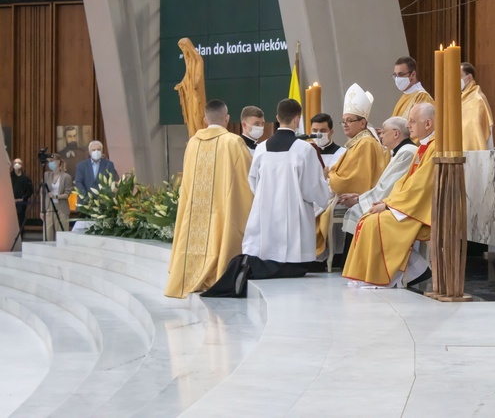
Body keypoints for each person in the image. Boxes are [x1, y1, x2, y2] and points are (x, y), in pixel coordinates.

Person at [165, 100, 254, 298]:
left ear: (205, 119)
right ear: (227, 119)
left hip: (196, 211)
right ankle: (218, 274)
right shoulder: (233, 142)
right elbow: (247, 180)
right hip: (223, 210)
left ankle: (192, 274)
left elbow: (186, 182)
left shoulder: (193, 144)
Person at [343, 103, 436, 288]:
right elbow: (404, 183)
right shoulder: (423, 147)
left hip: (419, 208)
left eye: (412, 121)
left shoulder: (433, 148)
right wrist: (387, 201)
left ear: (427, 124)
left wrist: (388, 205)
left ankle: (383, 278)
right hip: (408, 204)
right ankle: (365, 275)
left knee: (374, 222)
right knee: (368, 220)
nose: (408, 126)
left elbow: (419, 187)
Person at [242, 99, 329, 267]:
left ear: (277, 117)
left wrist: (265, 196)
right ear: (297, 119)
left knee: (267, 256)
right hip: (294, 217)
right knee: (292, 262)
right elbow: (313, 188)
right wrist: (326, 197)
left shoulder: (261, 149)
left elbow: (253, 181)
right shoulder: (304, 149)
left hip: (265, 213)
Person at [317, 84, 390, 256]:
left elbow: (353, 179)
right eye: (343, 121)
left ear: (363, 122)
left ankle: (317, 256)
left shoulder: (366, 143)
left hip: (359, 198)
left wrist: (330, 175)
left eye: (349, 120)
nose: (345, 125)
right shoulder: (358, 141)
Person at [339, 116, 417, 266]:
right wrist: (361, 197)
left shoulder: (407, 152)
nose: (380, 135)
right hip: (391, 202)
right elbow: (385, 185)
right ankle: (352, 265)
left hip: (398, 207)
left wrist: (359, 200)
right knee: (356, 211)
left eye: (383, 132)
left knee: (357, 212)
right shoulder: (399, 152)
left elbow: (389, 188)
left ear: (395, 134)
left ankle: (354, 265)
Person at [460, 62, 494, 150]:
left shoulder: (478, 99)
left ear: (469, 77)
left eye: (459, 76)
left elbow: (476, 127)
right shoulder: (459, 98)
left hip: (473, 153)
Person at [40, 154, 73, 241]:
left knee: (61, 234)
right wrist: (42, 210)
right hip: (48, 207)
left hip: (61, 208)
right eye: (48, 162)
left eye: (52, 161)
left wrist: (55, 196)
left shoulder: (66, 177)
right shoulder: (46, 175)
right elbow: (42, 194)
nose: (50, 164)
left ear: (58, 162)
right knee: (48, 234)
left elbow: (67, 194)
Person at [75, 140, 118, 206]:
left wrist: (104, 198)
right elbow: (78, 182)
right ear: (89, 152)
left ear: (102, 151)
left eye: (98, 149)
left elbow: (112, 182)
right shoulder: (81, 165)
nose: (96, 152)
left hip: (103, 203)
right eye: (93, 150)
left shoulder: (109, 165)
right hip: (85, 203)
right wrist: (87, 198)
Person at [11, 158, 33, 230]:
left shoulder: (26, 178)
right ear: (12, 164)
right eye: (15, 163)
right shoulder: (9, 177)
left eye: (19, 163)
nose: (17, 165)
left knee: (20, 221)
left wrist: (23, 198)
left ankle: (20, 238)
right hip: (10, 203)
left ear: (22, 165)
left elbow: (30, 190)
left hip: (21, 203)